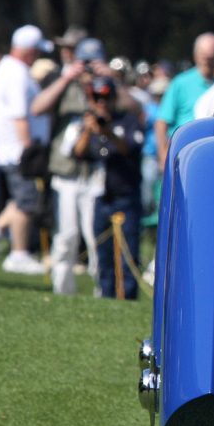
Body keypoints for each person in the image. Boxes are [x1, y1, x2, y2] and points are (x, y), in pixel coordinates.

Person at [37, 37, 110, 295]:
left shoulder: (108, 85)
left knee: (95, 236)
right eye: (85, 62)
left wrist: (111, 78)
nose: (89, 68)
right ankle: (62, 289)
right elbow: (37, 107)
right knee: (66, 235)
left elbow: (134, 109)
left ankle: (103, 289)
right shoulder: (63, 84)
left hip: (96, 172)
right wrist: (68, 77)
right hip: (67, 171)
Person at [0, 24, 53, 275]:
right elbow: (20, 114)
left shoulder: (8, 69)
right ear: (29, 50)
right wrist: (28, 149)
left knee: (22, 199)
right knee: (27, 202)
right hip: (18, 150)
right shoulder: (16, 73)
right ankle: (18, 253)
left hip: (11, 148)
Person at [75, 76, 145, 298]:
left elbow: (128, 149)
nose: (101, 102)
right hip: (100, 196)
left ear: (114, 97)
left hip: (125, 195)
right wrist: (88, 130)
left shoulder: (128, 121)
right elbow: (78, 153)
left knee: (128, 255)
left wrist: (107, 132)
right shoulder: (89, 125)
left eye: (105, 97)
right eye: (96, 97)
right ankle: (106, 295)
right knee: (102, 255)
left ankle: (128, 298)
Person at [155, 32, 214, 172]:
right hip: (183, 152)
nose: (208, 62)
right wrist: (163, 155)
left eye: (212, 57)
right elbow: (162, 122)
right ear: (196, 56)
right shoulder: (180, 83)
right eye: (205, 57)